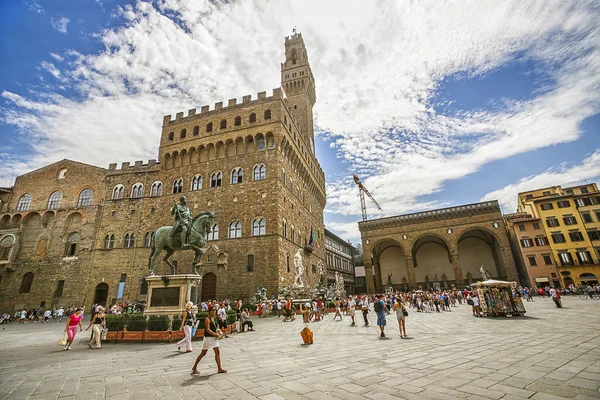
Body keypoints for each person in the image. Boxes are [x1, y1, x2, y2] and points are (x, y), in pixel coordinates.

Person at [191, 307, 227, 375]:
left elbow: (216, 327)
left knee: (217, 352)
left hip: (213, 338)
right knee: (203, 353)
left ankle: (219, 368)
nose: (214, 311)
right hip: (208, 338)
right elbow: (207, 329)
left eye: (215, 310)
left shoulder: (215, 319)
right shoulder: (207, 319)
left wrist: (218, 331)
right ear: (209, 311)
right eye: (212, 310)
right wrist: (214, 334)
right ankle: (194, 367)